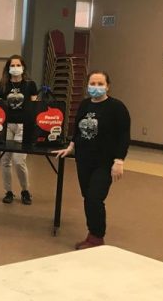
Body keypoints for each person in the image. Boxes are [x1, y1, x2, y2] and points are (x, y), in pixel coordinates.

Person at [54, 70, 130, 250]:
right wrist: (70, 147)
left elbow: (124, 136)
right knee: (87, 197)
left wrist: (119, 161)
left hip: (104, 162)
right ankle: (92, 233)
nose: (96, 87)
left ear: (108, 86)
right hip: (83, 160)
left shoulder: (117, 107)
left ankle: (97, 238)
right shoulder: (84, 105)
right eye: (93, 84)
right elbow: (77, 130)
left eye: (100, 84)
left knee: (95, 198)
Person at [0, 54, 38, 205]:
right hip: (7, 125)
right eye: (12, 65)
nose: (15, 68)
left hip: (23, 126)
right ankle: (8, 191)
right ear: (8, 68)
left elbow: (35, 107)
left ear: (23, 67)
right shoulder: (2, 85)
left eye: (18, 65)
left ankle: (25, 190)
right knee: (5, 160)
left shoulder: (30, 85)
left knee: (19, 161)